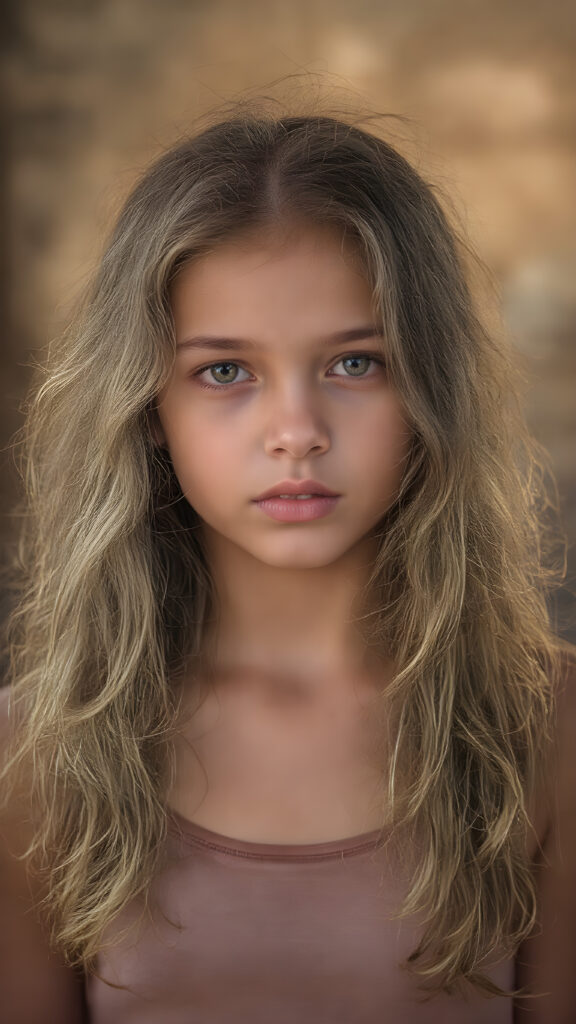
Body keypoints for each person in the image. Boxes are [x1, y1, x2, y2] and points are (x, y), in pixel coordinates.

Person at [1, 100, 575, 1024]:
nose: (297, 434)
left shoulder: (549, 734)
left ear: (431, 381)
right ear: (149, 406)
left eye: (355, 364)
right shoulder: (36, 756)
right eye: (225, 372)